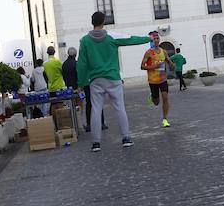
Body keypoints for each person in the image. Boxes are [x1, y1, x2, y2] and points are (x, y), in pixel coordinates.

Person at [76, 11, 151, 152]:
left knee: (96, 110)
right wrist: (148, 39)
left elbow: (81, 64)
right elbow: (130, 39)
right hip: (113, 78)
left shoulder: (85, 41)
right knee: (119, 107)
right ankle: (126, 138)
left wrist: (81, 83)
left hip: (96, 80)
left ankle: (96, 143)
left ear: (92, 22)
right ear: (103, 22)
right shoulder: (111, 37)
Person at [141, 31, 173, 128]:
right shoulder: (148, 53)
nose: (156, 40)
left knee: (165, 97)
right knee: (156, 102)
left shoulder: (163, 51)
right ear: (152, 40)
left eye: (157, 38)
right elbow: (142, 66)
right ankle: (152, 96)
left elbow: (168, 61)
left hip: (163, 79)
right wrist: (154, 66)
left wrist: (172, 65)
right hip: (153, 81)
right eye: (154, 39)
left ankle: (165, 119)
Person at [62, 47, 84, 117]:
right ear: (75, 54)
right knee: (79, 106)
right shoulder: (76, 63)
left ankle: (73, 122)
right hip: (77, 88)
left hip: (68, 89)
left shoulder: (64, 64)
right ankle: (79, 121)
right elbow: (79, 76)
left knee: (71, 107)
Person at [44, 46, 65, 114]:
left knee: (53, 104)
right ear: (54, 52)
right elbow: (63, 72)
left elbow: (45, 75)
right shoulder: (57, 62)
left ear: (47, 53)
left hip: (51, 87)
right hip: (59, 86)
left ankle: (54, 120)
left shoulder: (44, 63)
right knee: (60, 104)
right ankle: (61, 120)